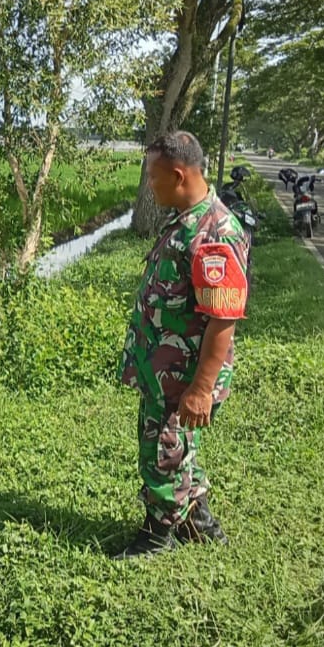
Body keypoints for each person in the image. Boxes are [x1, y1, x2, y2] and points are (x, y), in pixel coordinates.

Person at [114, 131, 249, 559]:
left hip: (183, 374)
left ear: (177, 175)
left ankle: (157, 536)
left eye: (153, 177)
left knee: (162, 450)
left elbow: (223, 318)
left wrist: (201, 389)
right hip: (165, 369)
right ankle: (199, 524)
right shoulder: (186, 219)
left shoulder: (214, 233)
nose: (149, 186)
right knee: (177, 445)